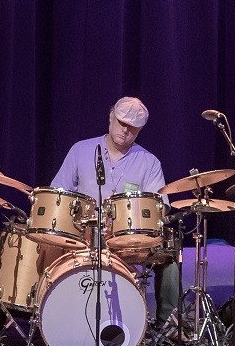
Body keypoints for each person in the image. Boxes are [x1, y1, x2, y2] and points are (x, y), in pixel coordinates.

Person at [50, 96, 182, 330]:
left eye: (133, 128)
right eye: (121, 123)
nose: (125, 130)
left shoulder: (149, 162)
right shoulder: (81, 150)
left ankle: (167, 324)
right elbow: (58, 194)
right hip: (83, 237)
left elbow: (160, 208)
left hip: (128, 240)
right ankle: (49, 313)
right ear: (111, 118)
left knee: (170, 253)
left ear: (140, 130)